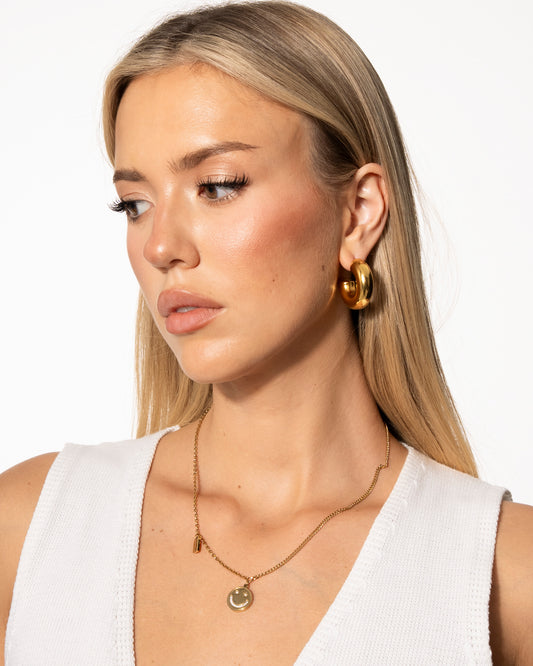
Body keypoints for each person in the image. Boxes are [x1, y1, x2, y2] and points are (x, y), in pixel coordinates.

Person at [1, 1, 532, 663]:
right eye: (135, 204)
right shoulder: (28, 532)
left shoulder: (503, 577)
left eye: (218, 186)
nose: (161, 245)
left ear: (358, 213)